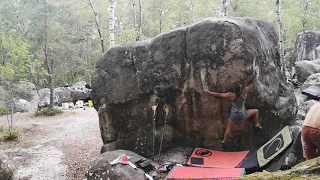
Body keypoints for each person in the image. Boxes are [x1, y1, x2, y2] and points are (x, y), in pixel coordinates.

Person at [204, 71, 262, 144]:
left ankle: (224, 141)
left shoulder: (231, 95)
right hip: (242, 114)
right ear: (240, 89)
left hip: (233, 114)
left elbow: (219, 94)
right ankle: (256, 124)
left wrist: (208, 92)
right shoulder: (244, 92)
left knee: (229, 128)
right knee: (256, 111)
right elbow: (253, 84)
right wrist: (257, 75)